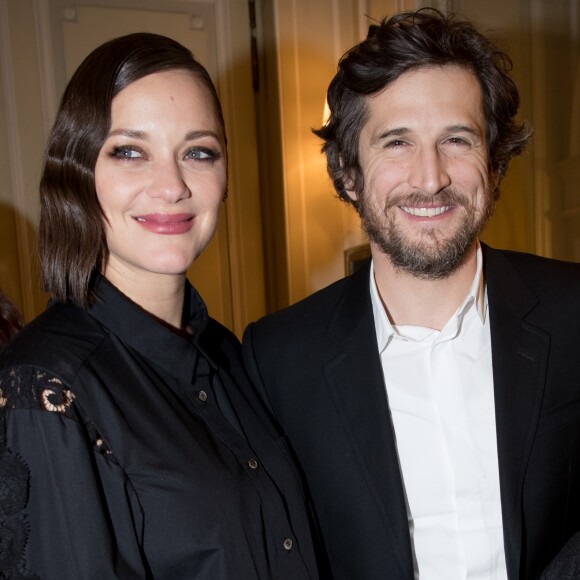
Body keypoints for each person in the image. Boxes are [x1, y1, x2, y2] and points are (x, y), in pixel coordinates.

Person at [243, 8, 580, 580]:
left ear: (494, 166)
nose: (430, 177)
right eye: (396, 143)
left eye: (457, 139)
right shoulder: (277, 360)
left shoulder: (574, 311)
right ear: (349, 172)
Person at [0, 33, 320, 579]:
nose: (171, 185)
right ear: (78, 174)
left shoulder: (227, 350)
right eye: (130, 152)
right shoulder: (46, 386)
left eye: (198, 152)